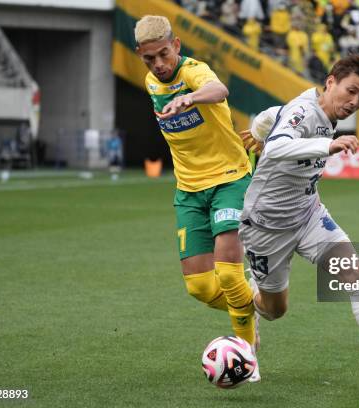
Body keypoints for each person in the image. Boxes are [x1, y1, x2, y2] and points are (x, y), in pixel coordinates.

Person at [239, 52, 359, 390]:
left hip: (309, 216)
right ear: (331, 82)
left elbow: (271, 116)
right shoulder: (304, 111)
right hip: (266, 227)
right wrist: (328, 145)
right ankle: (248, 299)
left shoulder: (319, 110)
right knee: (274, 310)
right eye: (350, 91)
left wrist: (257, 129)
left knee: (356, 274)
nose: (354, 102)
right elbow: (278, 147)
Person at [134, 15, 260, 381]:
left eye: (163, 55)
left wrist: (189, 98)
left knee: (230, 274)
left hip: (229, 179)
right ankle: (248, 309)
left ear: (176, 46)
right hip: (188, 190)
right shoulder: (149, 81)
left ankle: (247, 354)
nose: (158, 65)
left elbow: (219, 90)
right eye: (149, 59)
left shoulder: (193, 71)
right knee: (201, 287)